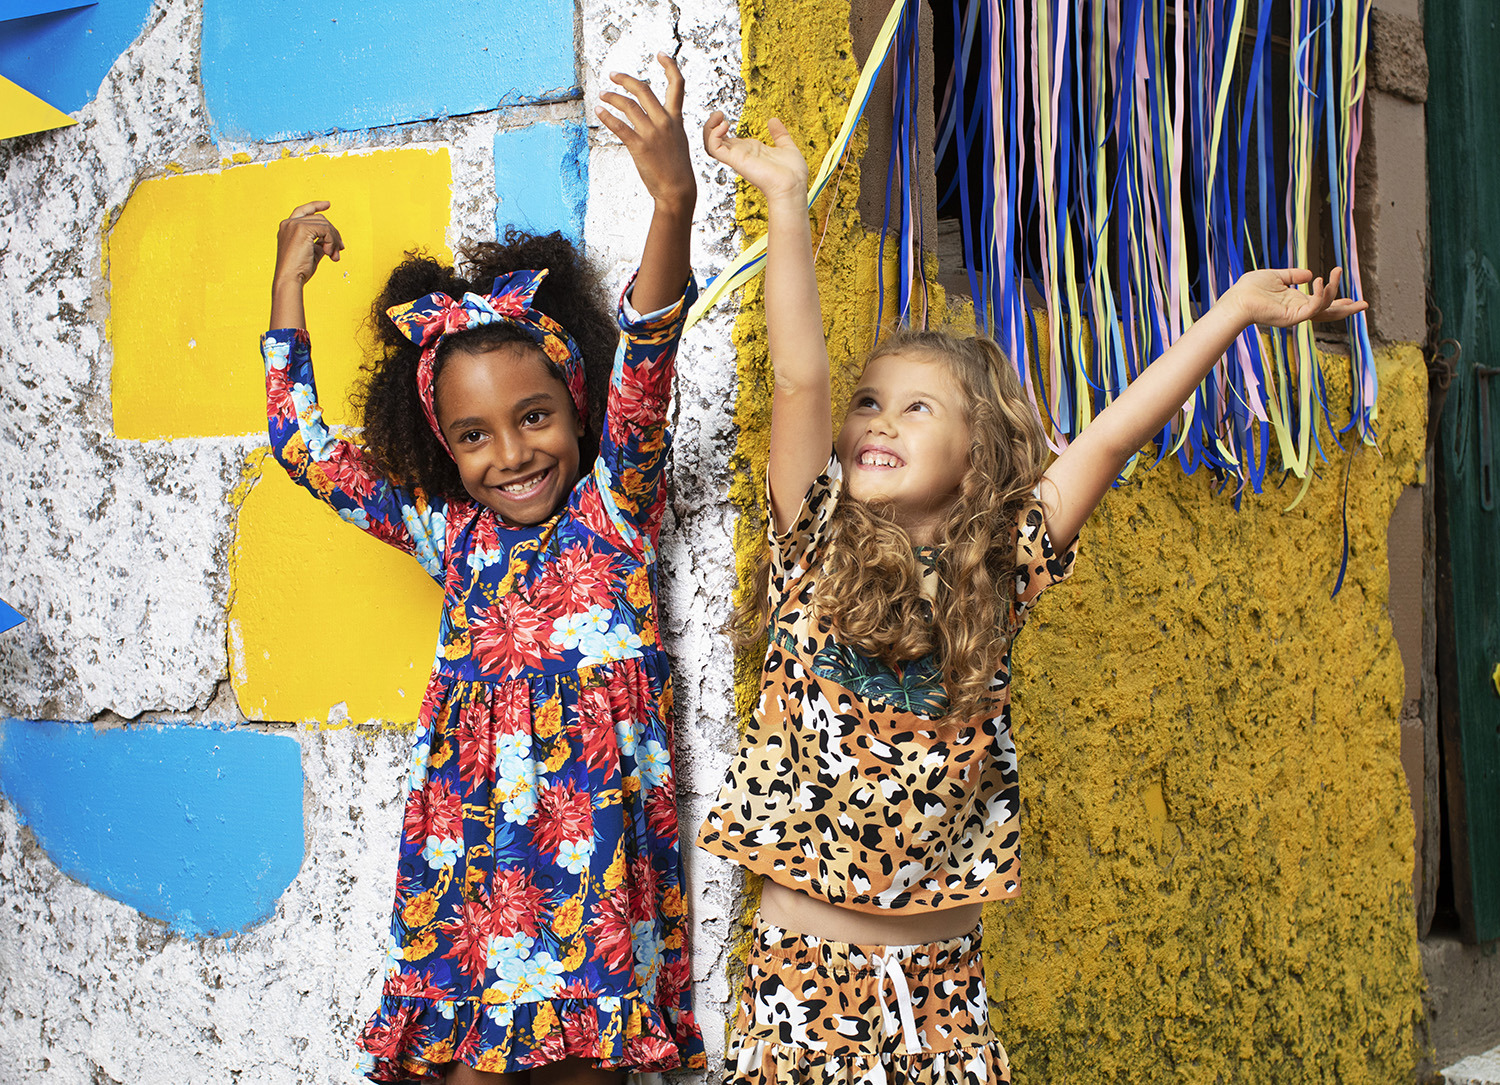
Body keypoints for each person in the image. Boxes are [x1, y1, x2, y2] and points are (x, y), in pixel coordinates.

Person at [695, 111, 1366, 1083]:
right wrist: (787, 205)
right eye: (870, 402)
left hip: (943, 992)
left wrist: (1228, 313)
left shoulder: (1001, 570)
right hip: (807, 986)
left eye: (917, 407)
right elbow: (801, 377)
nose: (878, 421)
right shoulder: (815, 542)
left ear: (980, 453)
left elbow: (1110, 438)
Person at [260, 55, 706, 1085]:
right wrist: (286, 290)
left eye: (534, 415)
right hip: (471, 872)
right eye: (473, 434)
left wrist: (671, 204)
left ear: (579, 406)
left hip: (592, 876)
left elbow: (649, 351)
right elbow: (303, 447)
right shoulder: (447, 533)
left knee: (582, 1068)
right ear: (442, 445)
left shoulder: (614, 507)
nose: (510, 453)